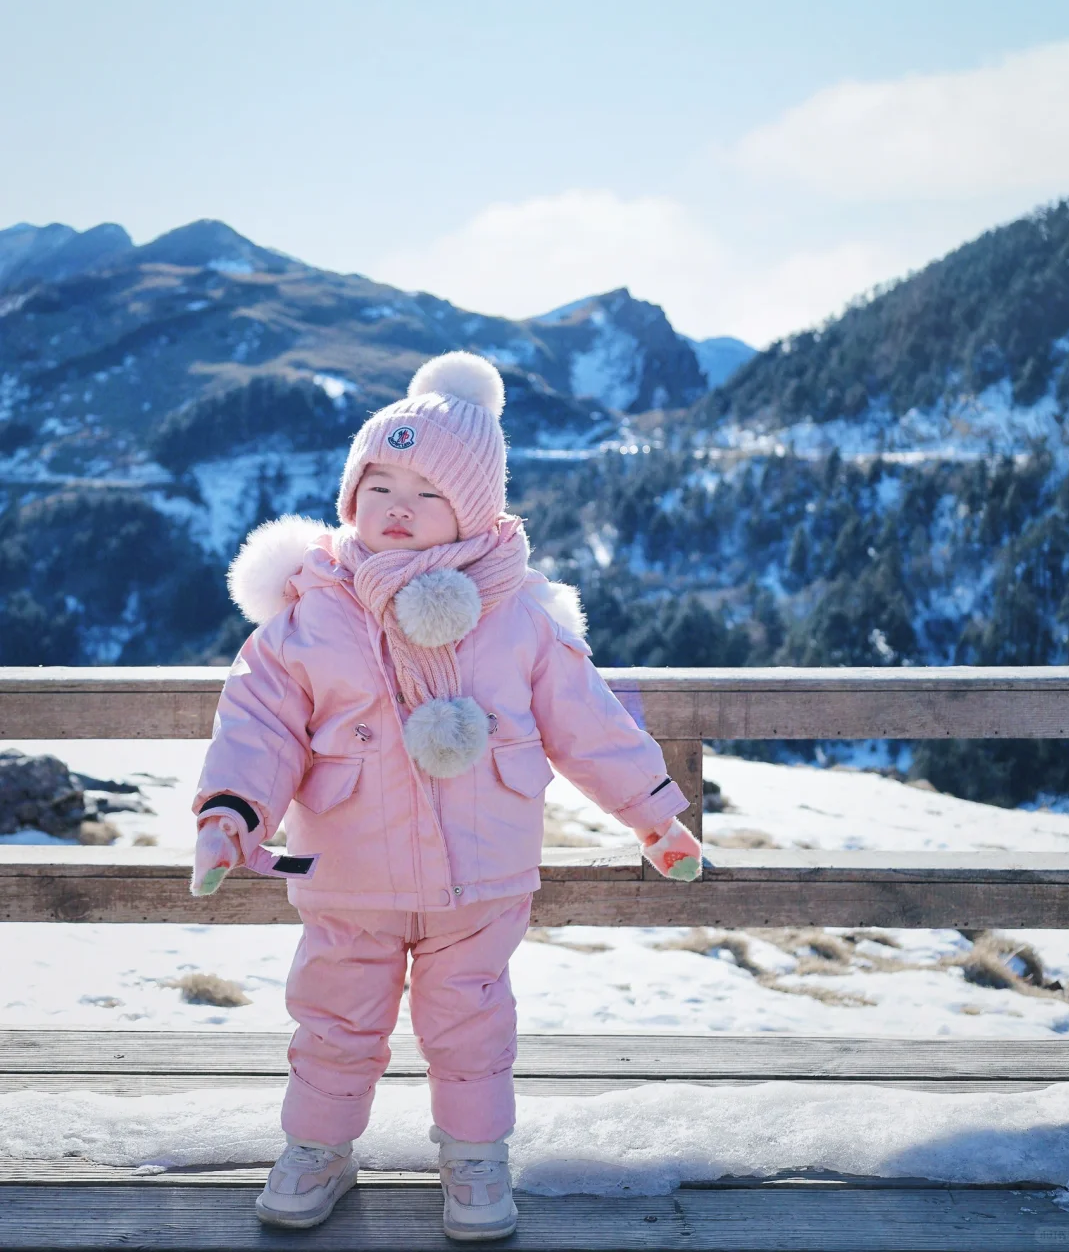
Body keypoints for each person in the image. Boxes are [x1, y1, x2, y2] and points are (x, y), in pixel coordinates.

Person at [190, 351, 703, 1240]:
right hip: (350, 866)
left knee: (470, 1023)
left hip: (483, 871)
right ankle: (317, 1147)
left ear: (473, 505)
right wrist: (233, 810)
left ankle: (473, 1158)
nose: (394, 504)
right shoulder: (317, 609)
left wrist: (657, 814)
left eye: (424, 490)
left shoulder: (518, 613)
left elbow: (587, 720)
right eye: (377, 481)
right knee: (334, 1018)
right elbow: (259, 719)